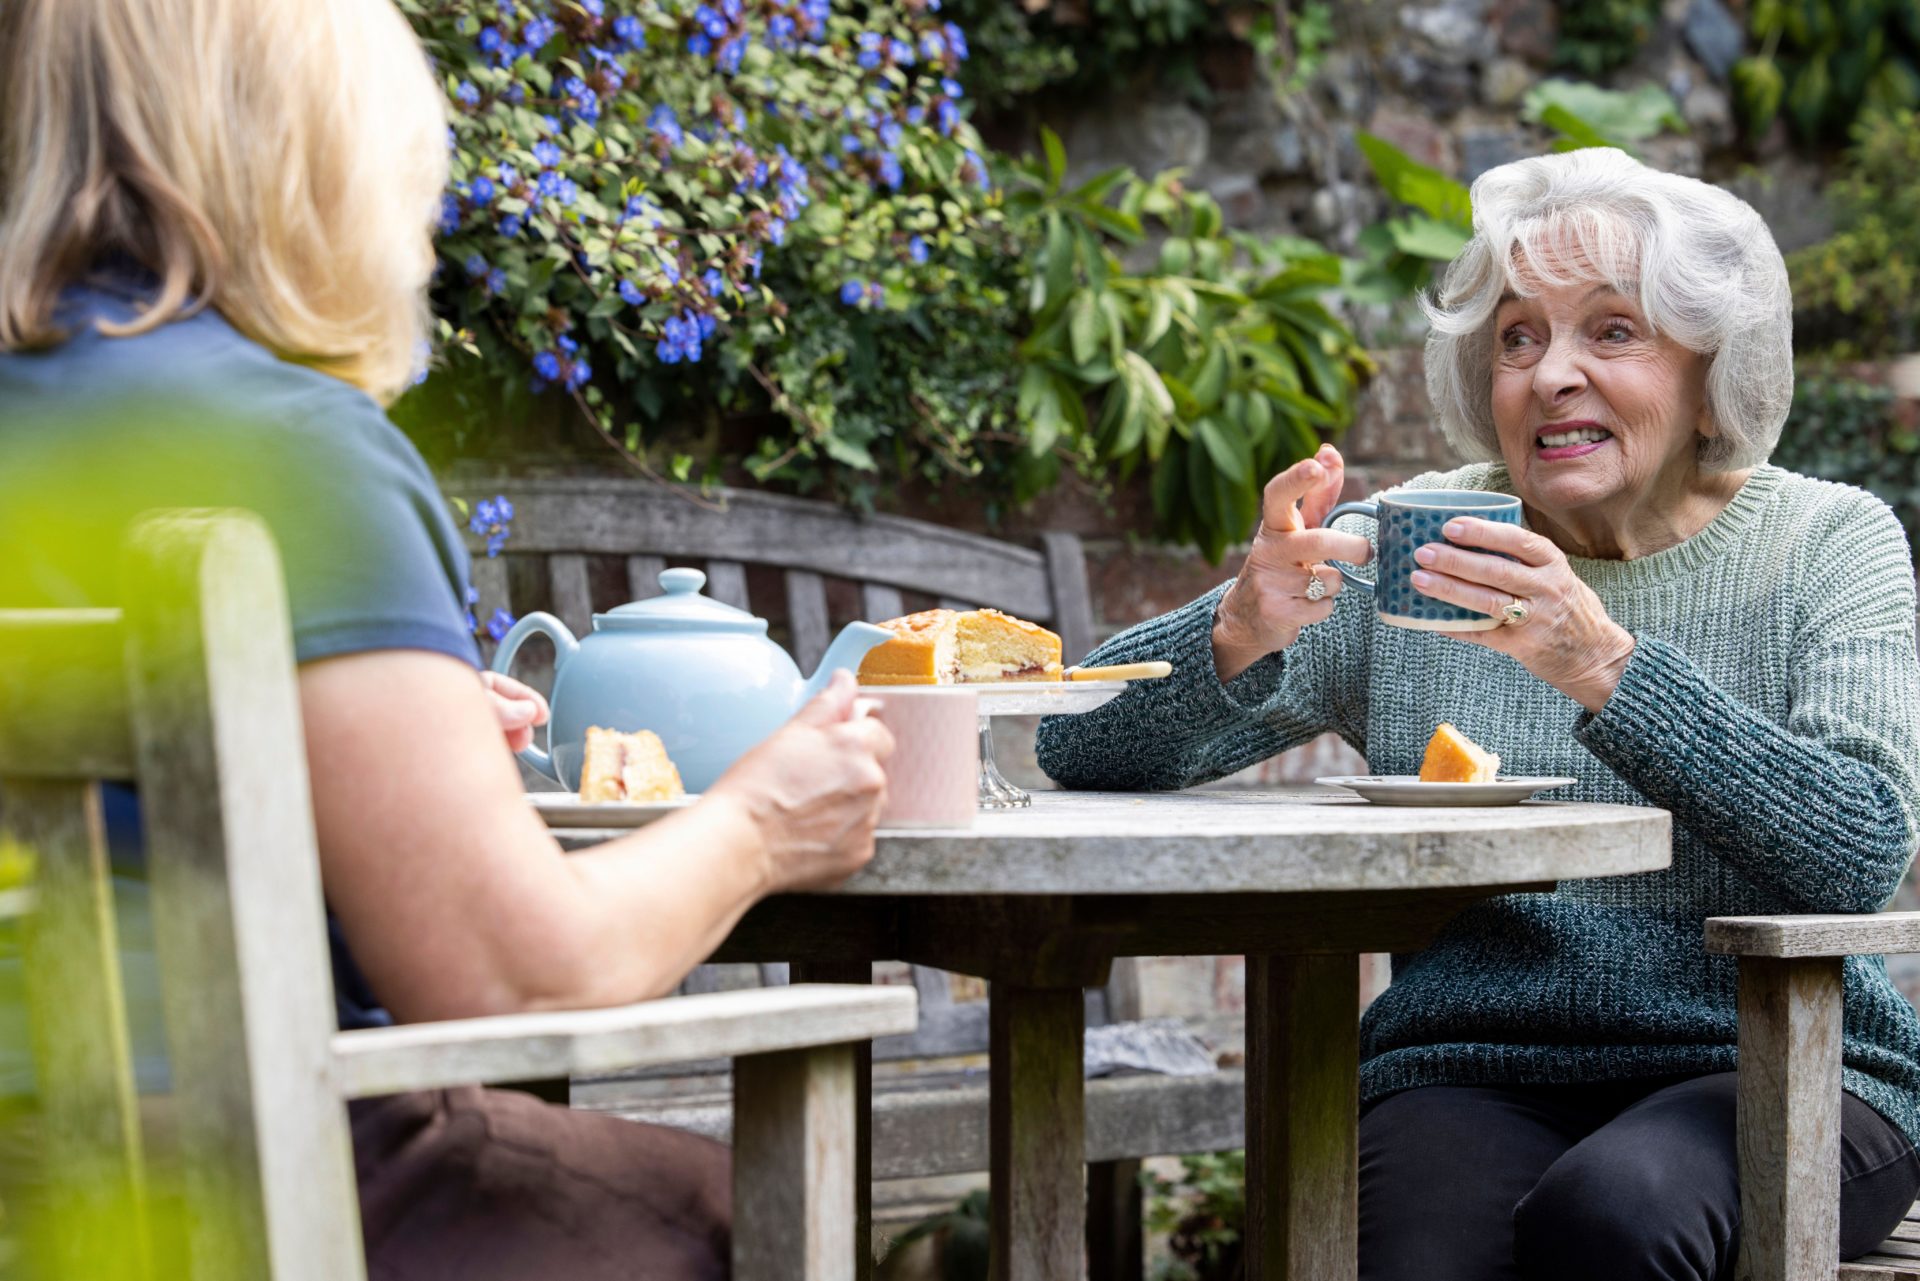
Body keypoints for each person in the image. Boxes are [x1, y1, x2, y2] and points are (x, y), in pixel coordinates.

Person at [0, 2, 893, 1277]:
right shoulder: (283, 452)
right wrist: (764, 822)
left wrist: (342, 737)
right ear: (316, 153)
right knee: (716, 1210)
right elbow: (510, 979)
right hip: (240, 1180)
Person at [1037, 147, 1920, 1280]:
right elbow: (1075, 741)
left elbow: (1854, 848)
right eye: (1516, 338)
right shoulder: (1428, 542)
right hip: (1472, 1064)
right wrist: (1240, 629)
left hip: (1783, 1067)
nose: (1551, 374)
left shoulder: (1828, 543)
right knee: (1414, 1258)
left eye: (1611, 331)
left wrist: (1601, 662)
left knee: (1611, 1219)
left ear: (1713, 372)